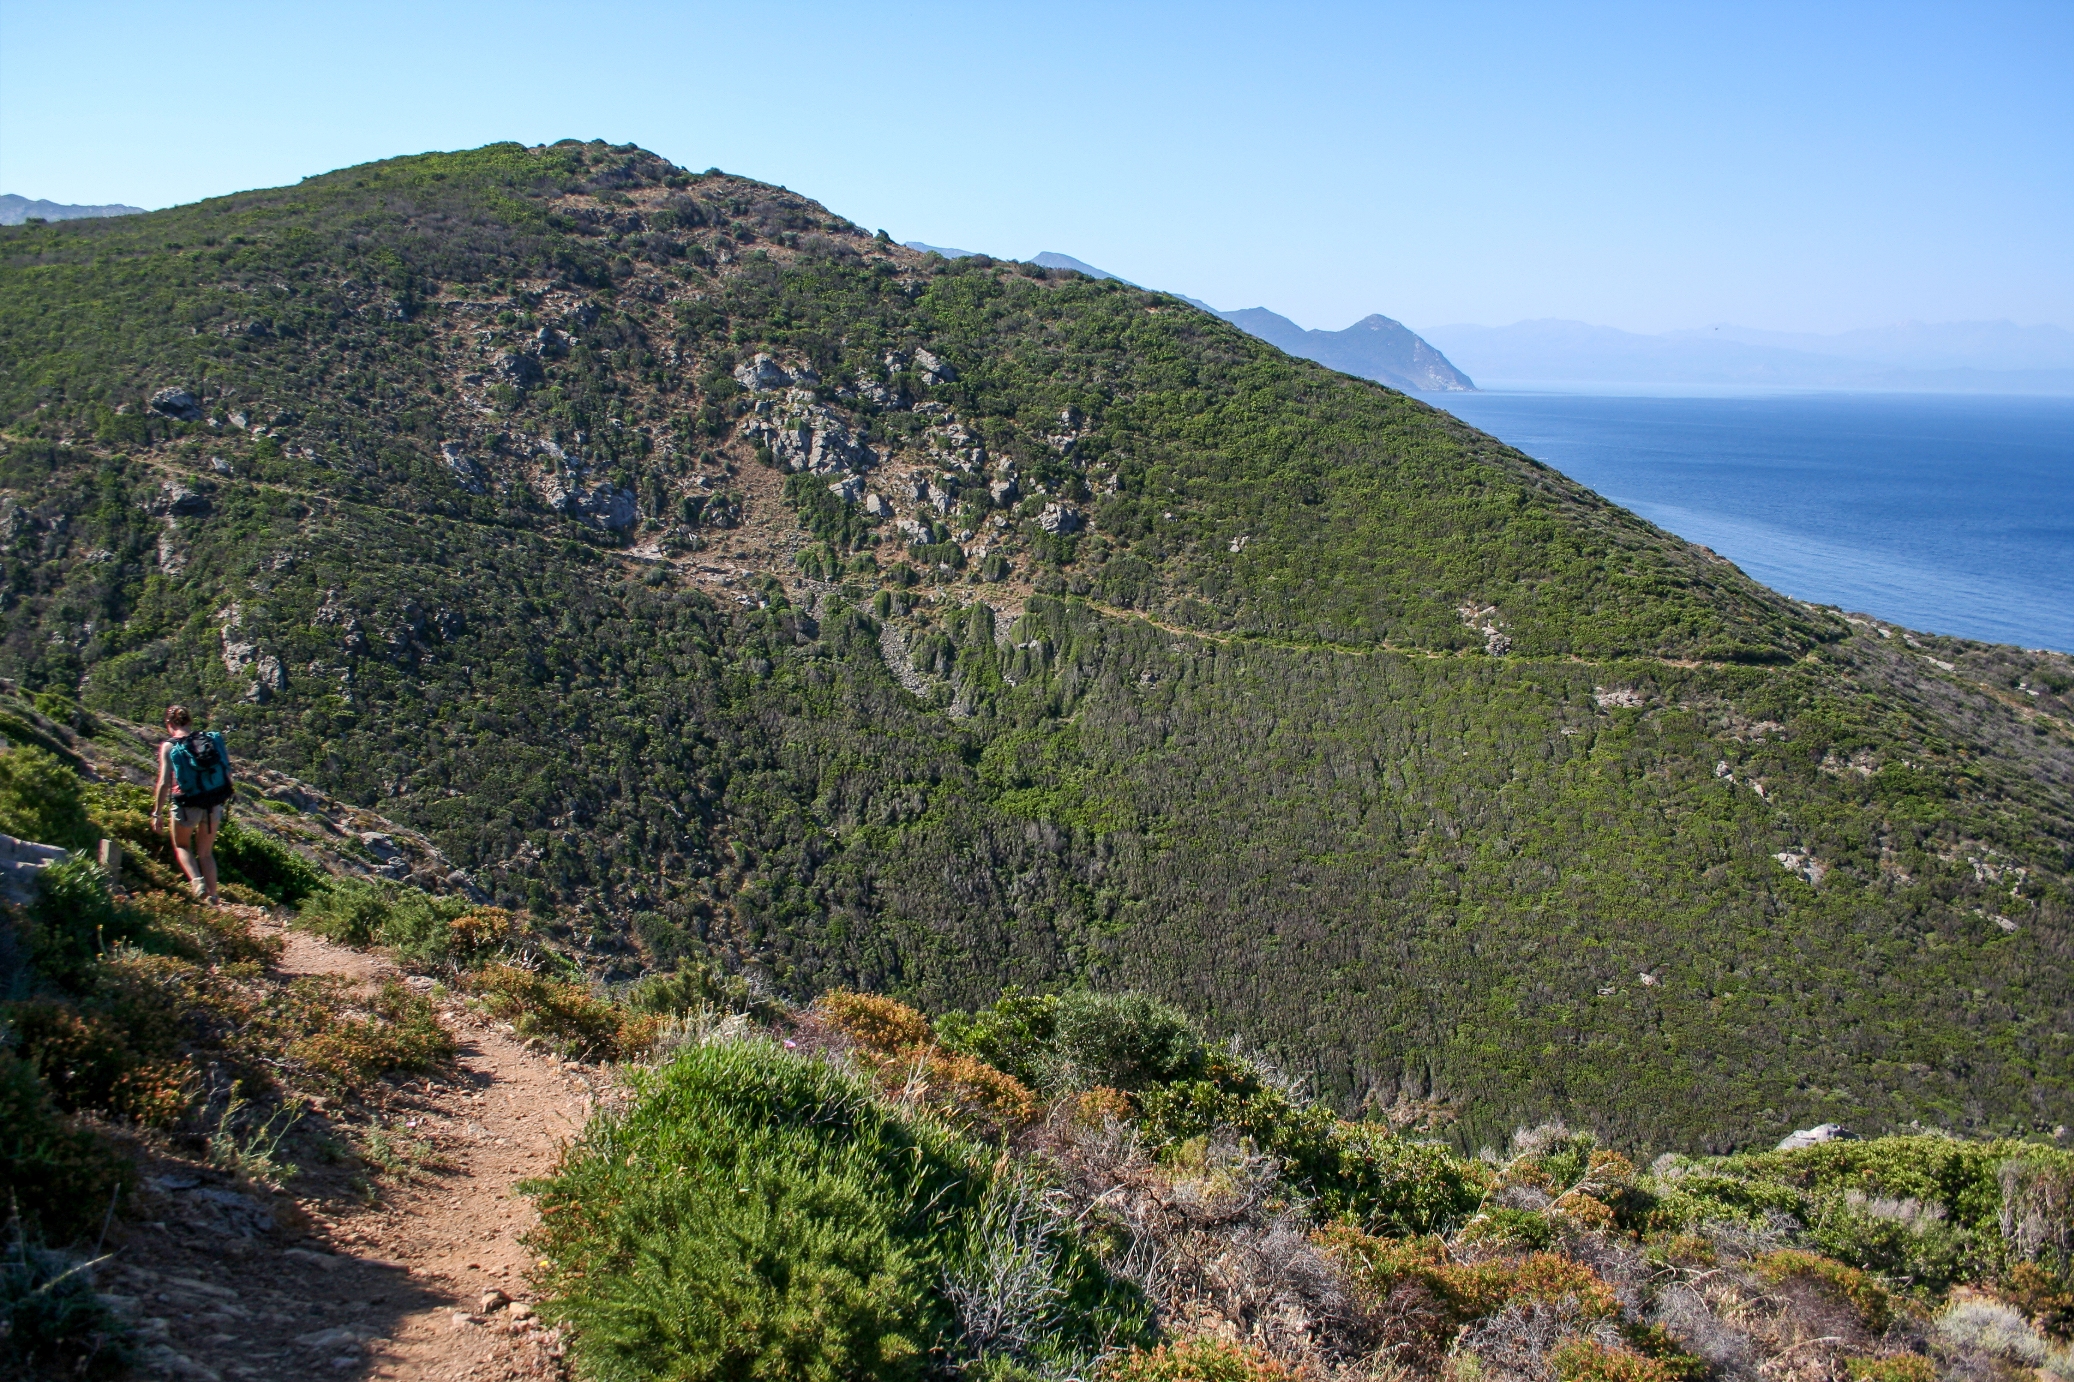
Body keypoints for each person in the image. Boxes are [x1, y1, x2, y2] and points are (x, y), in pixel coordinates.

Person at [151, 704, 234, 903]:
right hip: (213, 802)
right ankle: (213, 897)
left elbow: (164, 783)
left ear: (169, 724)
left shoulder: (170, 746)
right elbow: (227, 771)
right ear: (189, 721)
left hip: (186, 804)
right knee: (206, 853)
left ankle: (197, 882)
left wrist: (157, 812)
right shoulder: (209, 740)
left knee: (181, 845)